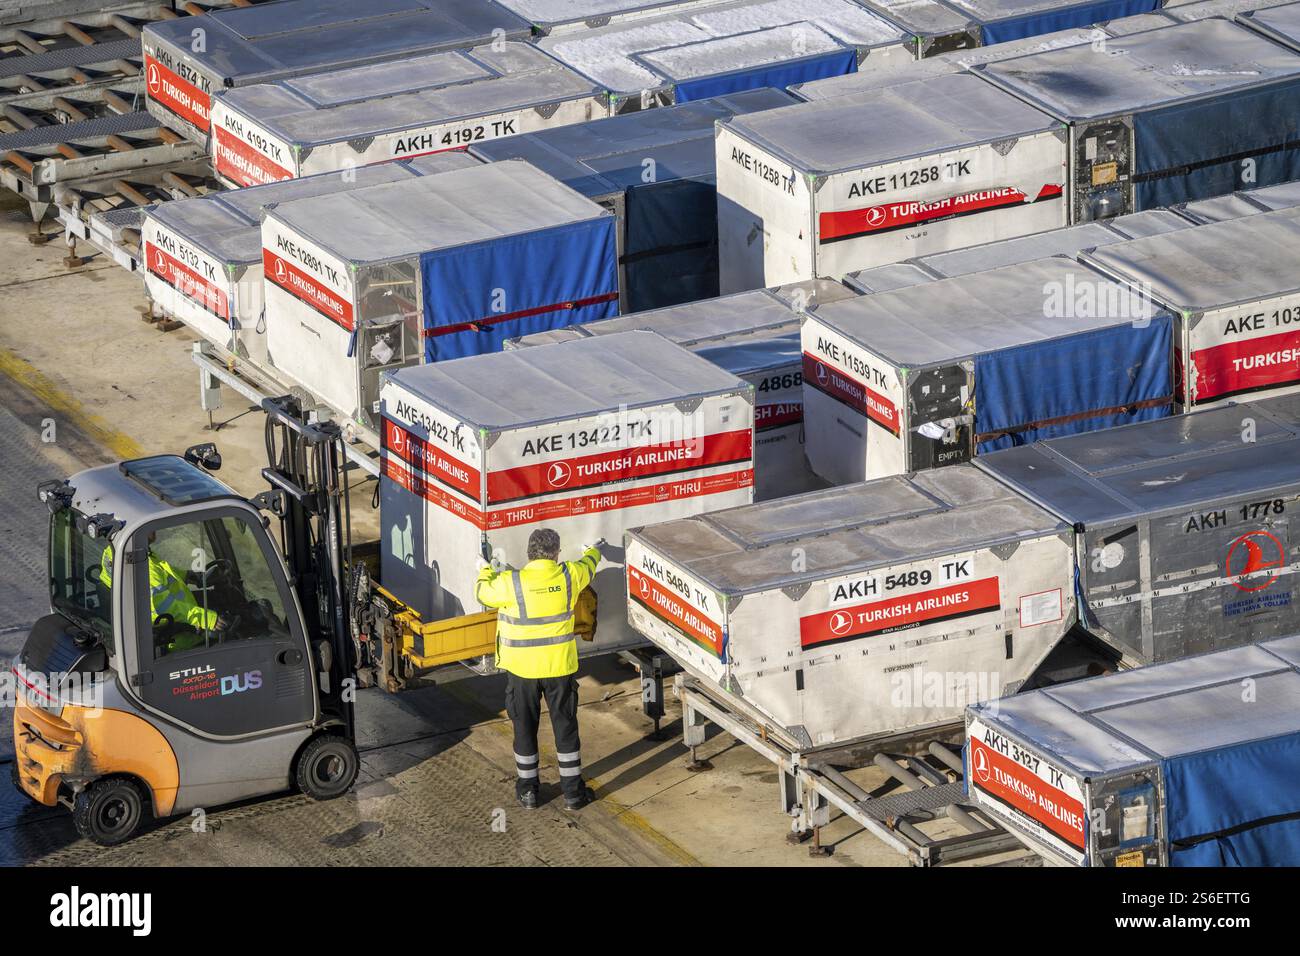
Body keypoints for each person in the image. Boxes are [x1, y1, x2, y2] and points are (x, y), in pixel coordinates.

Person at [475, 529, 602, 810]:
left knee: (523, 728)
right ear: (556, 554)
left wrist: (485, 570)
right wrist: (592, 549)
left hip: (521, 671)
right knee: (565, 727)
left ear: (529, 553)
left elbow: (482, 592)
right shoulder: (569, 576)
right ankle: (573, 794)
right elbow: (590, 565)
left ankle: (528, 791)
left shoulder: (511, 582)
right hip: (559, 668)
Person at [99, 540, 222, 653]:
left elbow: (160, 570)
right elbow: (165, 607)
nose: (154, 531)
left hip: (172, 624)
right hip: (177, 638)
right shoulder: (143, 568)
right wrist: (208, 619)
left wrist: (188, 575)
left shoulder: (121, 552)